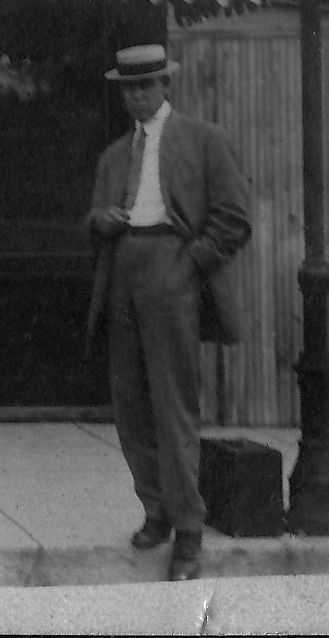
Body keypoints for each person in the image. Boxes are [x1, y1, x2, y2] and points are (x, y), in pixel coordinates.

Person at [85, 43, 252, 582]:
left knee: (174, 403)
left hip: (172, 270)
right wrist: (101, 220)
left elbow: (233, 219)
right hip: (123, 274)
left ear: (165, 86)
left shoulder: (204, 140)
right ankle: (155, 510)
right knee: (130, 404)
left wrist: (190, 263)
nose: (136, 96)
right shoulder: (113, 156)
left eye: (146, 86)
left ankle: (188, 531)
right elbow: (93, 221)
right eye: (128, 88)